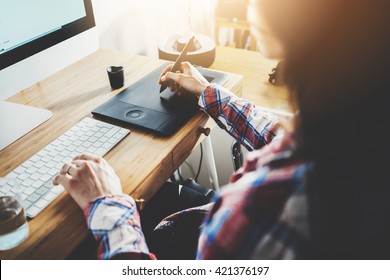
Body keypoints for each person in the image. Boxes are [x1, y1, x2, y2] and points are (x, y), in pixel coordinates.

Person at [54, 0, 390, 259]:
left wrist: (108, 204)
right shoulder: (355, 123)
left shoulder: (265, 216)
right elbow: (286, 139)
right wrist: (209, 93)